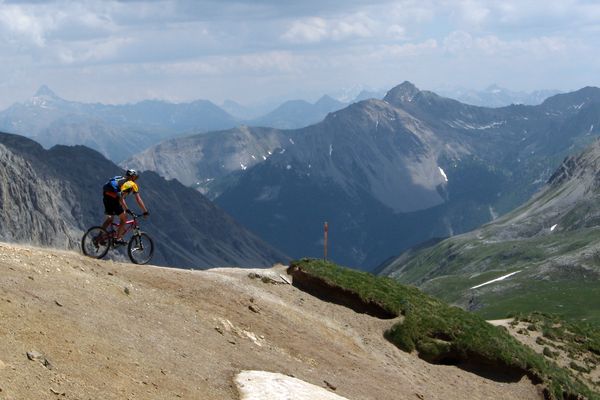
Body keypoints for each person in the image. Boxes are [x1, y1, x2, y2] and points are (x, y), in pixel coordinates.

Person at [101, 169, 149, 245]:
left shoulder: (121, 180)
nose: (136, 179)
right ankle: (118, 238)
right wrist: (145, 211)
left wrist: (126, 209)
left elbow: (120, 197)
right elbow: (137, 199)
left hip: (106, 197)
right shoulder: (130, 184)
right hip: (114, 199)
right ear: (132, 177)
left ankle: (100, 237)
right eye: (135, 177)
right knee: (124, 218)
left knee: (110, 219)